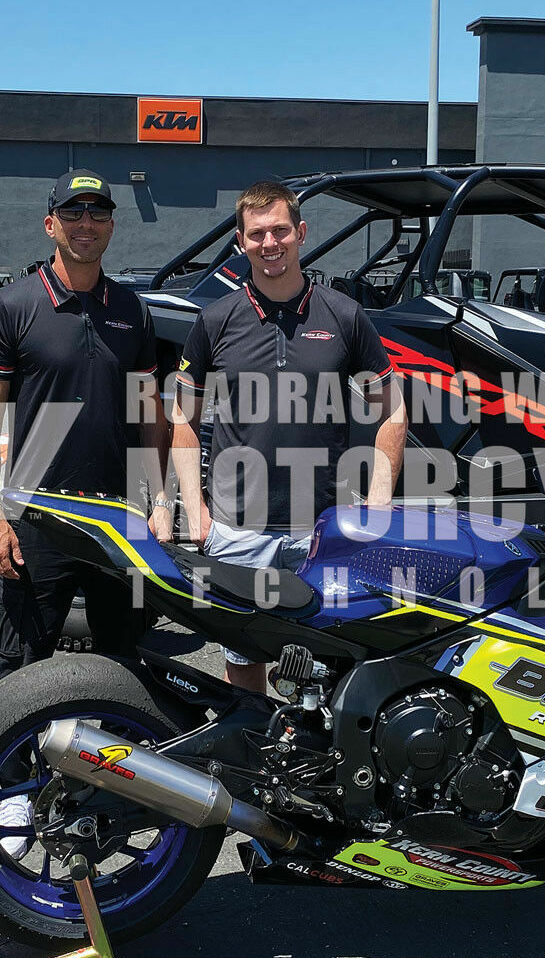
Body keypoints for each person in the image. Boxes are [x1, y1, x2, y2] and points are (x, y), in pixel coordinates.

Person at [165, 180, 407, 693]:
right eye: (257, 234)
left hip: (321, 528)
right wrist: (196, 509)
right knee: (243, 661)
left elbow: (394, 411)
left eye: (279, 231)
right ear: (240, 242)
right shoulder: (215, 320)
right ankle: (254, 760)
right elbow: (182, 419)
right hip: (237, 530)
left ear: (301, 232)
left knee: (332, 659)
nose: (269, 243)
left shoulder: (343, 315)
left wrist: (379, 504)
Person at [0, 169, 164, 676]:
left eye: (99, 212)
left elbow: (149, 417)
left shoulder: (132, 311)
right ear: (50, 224)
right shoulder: (11, 306)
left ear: (112, 226)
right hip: (37, 520)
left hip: (120, 520)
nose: (86, 223)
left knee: (123, 669)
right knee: (20, 674)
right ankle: (14, 760)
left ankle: (108, 756)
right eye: (73, 212)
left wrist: (161, 501)